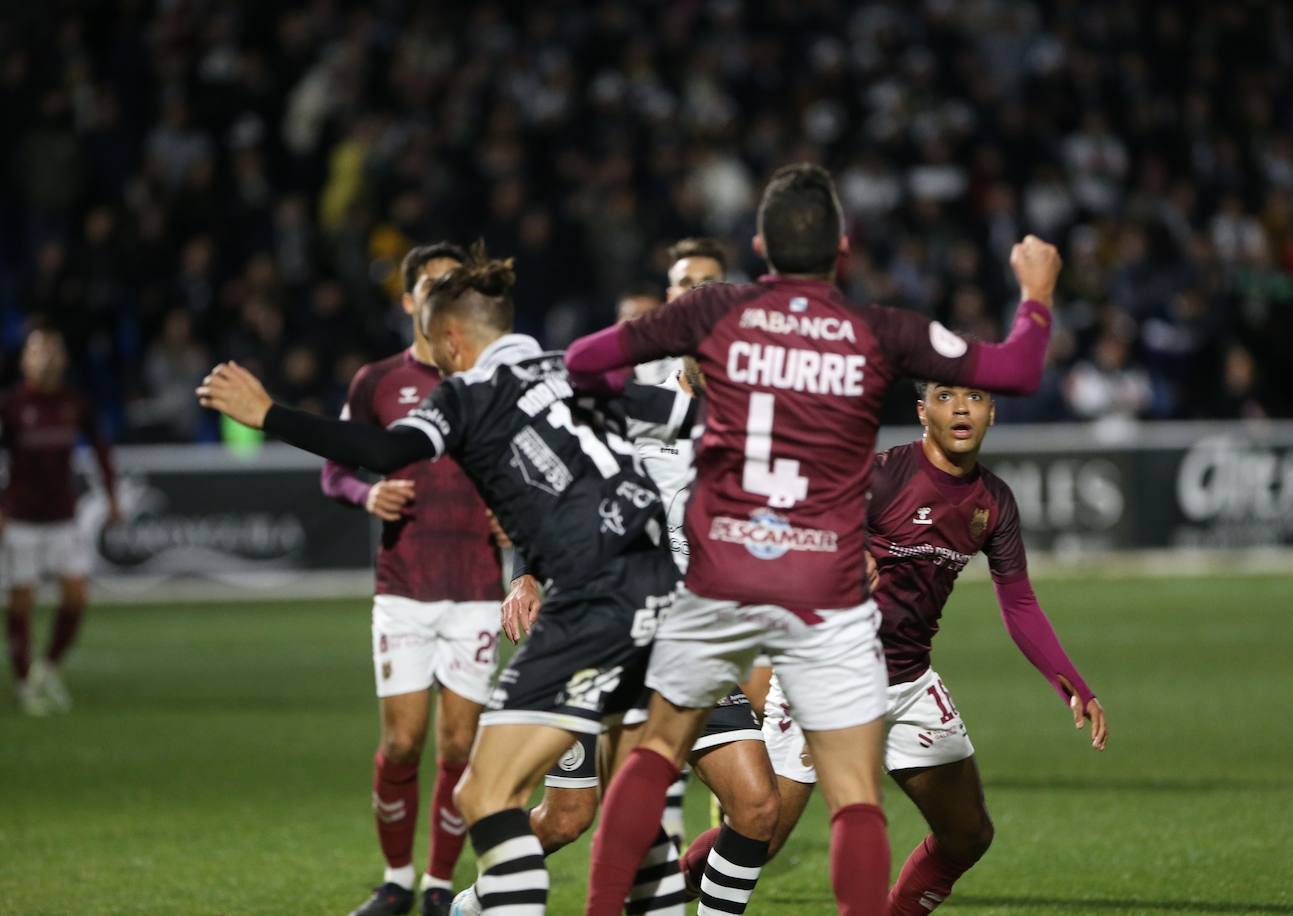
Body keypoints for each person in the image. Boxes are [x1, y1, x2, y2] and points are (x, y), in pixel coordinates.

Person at [565, 162, 1061, 916]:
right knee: (855, 797)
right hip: (821, 586)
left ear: (761, 244)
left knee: (656, 751)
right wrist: (1036, 291)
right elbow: (1019, 367)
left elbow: (582, 365)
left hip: (722, 566)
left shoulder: (713, 312)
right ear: (844, 247)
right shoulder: (880, 330)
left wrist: (656, 413)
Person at [197, 243, 696, 916]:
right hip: (665, 589)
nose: (437, 361)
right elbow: (691, 419)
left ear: (455, 340)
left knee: (485, 795)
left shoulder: (468, 394)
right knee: (637, 802)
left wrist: (269, 415)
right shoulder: (574, 367)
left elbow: (382, 450)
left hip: (592, 597)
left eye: (438, 349)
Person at [461, 237, 780, 916]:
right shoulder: (632, 405)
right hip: (605, 631)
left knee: (755, 809)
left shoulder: (757, 427)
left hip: (693, 637)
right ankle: (474, 905)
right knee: (571, 818)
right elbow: (559, 496)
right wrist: (527, 577)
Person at [752, 380, 1107, 914]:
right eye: (945, 396)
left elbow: (1019, 603)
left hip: (908, 684)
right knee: (759, 836)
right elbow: (779, 528)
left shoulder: (994, 501)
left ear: (992, 414)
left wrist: (1074, 684)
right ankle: (661, 890)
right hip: (824, 679)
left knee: (967, 834)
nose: (962, 407)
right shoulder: (880, 474)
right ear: (922, 412)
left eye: (976, 398)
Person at [318, 243, 507, 916]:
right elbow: (335, 468)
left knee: (459, 745)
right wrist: (364, 496)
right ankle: (396, 878)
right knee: (402, 742)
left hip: (479, 586)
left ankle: (437, 884)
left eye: (454, 285)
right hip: (405, 582)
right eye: (431, 286)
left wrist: (513, 514)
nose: (442, 296)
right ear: (408, 301)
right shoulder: (377, 382)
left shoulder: (489, 379)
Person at [2, 325, 119, 716]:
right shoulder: (11, 406)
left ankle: (48, 669)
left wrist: (112, 496)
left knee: (76, 595)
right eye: (39, 350)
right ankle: (23, 683)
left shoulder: (74, 402)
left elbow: (101, 447)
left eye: (54, 350)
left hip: (62, 516)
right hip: (20, 517)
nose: (47, 357)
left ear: (64, 359)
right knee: (21, 602)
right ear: (25, 359)